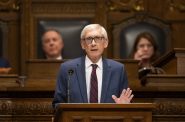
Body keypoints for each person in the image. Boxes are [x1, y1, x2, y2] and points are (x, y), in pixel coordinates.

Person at [52, 24, 133, 108]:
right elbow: (57, 103)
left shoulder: (118, 70)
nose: (93, 43)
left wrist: (123, 106)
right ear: (82, 44)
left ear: (105, 43)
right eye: (89, 39)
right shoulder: (67, 69)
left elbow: (126, 102)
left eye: (98, 38)